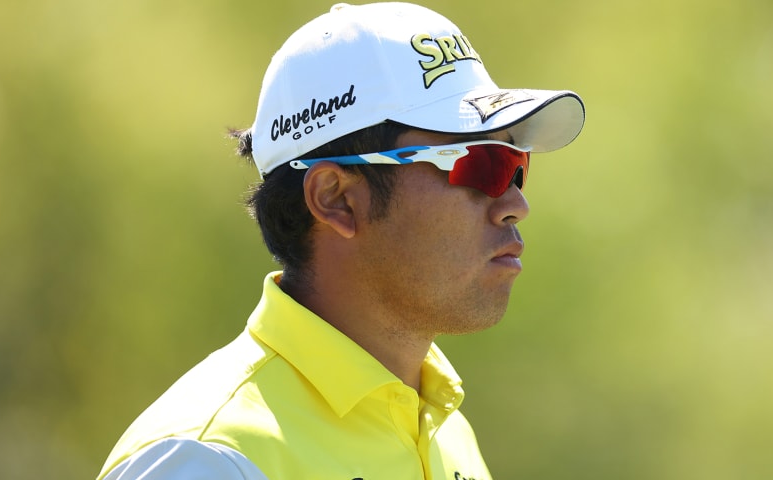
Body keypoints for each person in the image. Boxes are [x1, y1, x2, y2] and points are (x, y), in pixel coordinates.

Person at [96, 2, 585, 479]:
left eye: (516, 166)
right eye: (478, 164)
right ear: (336, 199)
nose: (514, 204)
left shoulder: (445, 429)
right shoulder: (205, 459)